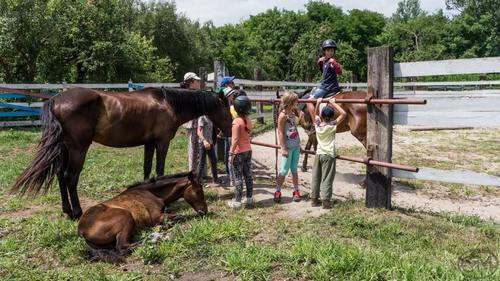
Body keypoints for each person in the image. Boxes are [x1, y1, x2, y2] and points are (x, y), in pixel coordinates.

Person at [310, 97, 346, 209]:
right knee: (327, 178)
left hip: (319, 153)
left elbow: (315, 115)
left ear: (321, 116)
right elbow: (343, 114)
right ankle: (326, 201)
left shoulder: (318, 125)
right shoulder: (332, 126)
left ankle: (314, 199)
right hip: (329, 155)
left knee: (316, 177)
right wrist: (333, 103)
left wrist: (317, 103)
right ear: (332, 116)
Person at [274, 91, 303, 203]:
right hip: (288, 147)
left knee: (294, 169)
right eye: (296, 100)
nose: (298, 102)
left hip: (295, 146)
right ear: (291, 102)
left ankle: (296, 190)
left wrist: (299, 144)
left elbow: (294, 128)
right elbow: (280, 132)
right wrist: (283, 147)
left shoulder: (292, 113)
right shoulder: (282, 115)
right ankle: (277, 190)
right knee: (284, 170)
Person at [227, 96, 254, 209]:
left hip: (238, 152)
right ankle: (249, 198)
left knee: (238, 177)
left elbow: (235, 140)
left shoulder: (236, 122)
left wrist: (231, 154)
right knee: (248, 175)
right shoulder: (248, 120)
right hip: (248, 150)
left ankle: (237, 202)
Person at [307, 39, 343, 121]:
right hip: (326, 86)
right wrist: (320, 63)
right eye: (328, 50)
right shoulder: (325, 62)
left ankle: (314, 122)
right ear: (324, 51)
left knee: (309, 101)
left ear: (334, 52)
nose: (330, 52)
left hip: (327, 87)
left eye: (332, 51)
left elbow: (340, 72)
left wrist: (334, 63)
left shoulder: (332, 62)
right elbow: (324, 73)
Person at [181, 72, 202, 173]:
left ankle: (200, 172)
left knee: (200, 149)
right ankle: (193, 173)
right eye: (197, 81)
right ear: (191, 82)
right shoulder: (187, 94)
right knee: (193, 150)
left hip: (200, 124)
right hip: (193, 125)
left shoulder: (196, 93)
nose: (199, 82)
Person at [197, 114, 218, 184]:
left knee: (214, 160)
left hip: (210, 143)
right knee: (202, 162)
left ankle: (215, 179)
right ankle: (197, 181)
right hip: (203, 143)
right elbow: (199, 132)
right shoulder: (202, 117)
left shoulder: (211, 117)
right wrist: (204, 141)